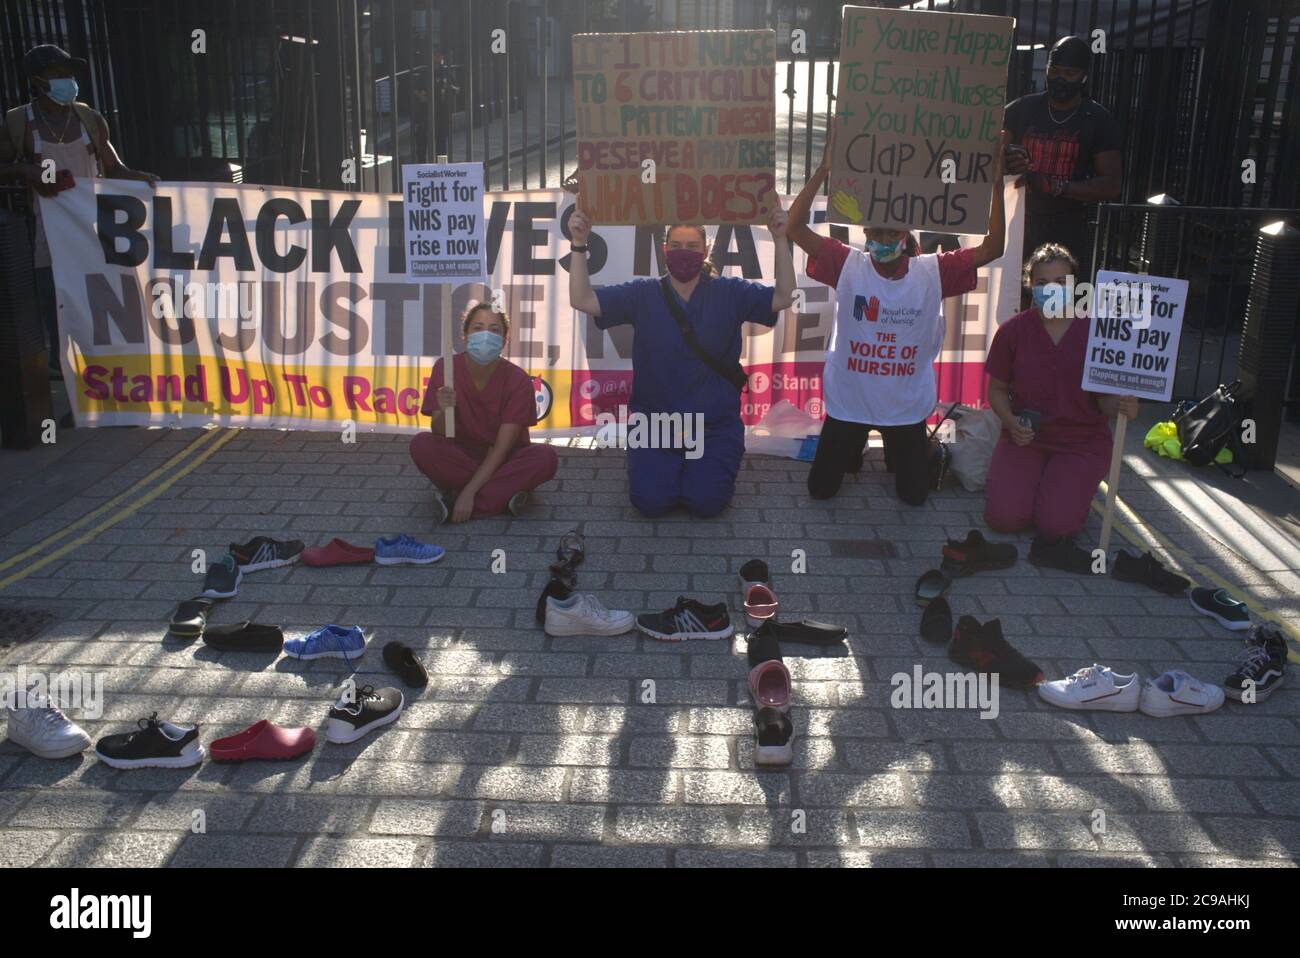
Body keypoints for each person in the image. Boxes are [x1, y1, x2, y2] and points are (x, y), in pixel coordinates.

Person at [786, 122, 1006, 506]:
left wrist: (996, 184)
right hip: (851, 400)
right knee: (820, 491)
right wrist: (824, 169)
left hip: (904, 405)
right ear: (865, 233)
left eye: (892, 235)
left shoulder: (933, 271)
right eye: (875, 234)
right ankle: (853, 451)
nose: (882, 243)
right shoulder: (847, 263)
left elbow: (994, 248)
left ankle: (899, 452)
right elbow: (794, 227)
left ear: (908, 237)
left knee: (914, 497)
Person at [567, 208, 797, 518]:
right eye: (675, 246)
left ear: (705, 251)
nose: (683, 254)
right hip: (655, 424)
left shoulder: (730, 292)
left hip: (714, 425)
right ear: (664, 251)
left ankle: (697, 468)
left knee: (705, 503)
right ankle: (668, 469)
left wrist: (780, 238)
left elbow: (784, 297)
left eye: (691, 247)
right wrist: (579, 244)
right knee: (650, 502)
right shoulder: (643, 293)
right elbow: (582, 300)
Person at [0, 44, 159, 380]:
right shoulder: (19, 122)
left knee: (107, 311)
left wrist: (143, 179)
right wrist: (27, 172)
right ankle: (79, 394)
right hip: (50, 235)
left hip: (97, 231)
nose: (67, 81)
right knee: (62, 314)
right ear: (38, 80)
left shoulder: (89, 118)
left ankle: (116, 385)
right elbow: (4, 167)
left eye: (69, 74)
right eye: (58, 74)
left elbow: (114, 167)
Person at [983, 243, 1138, 571]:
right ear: (1030, 285)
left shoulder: (1096, 331)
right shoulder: (1012, 331)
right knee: (1003, 519)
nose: (1051, 290)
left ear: (1074, 286)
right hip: (1026, 437)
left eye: (1060, 283)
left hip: (1081, 443)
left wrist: (1122, 406)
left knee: (1056, 527)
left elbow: (1105, 402)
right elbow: (995, 390)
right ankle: (1042, 484)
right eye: (1042, 283)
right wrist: (1011, 423)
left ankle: (1067, 488)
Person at [409, 303, 558, 524]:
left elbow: (501, 448)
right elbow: (438, 431)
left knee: (546, 458)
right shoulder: (446, 368)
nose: (485, 335)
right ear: (465, 335)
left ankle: (456, 502)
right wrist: (442, 408)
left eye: (494, 329)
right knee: (421, 444)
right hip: (462, 455)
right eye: (478, 328)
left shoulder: (517, 380)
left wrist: (468, 493)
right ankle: (500, 496)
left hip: (503, 458)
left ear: (505, 340)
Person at [1003, 35, 1122, 282]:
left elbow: (1111, 184)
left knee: (1056, 305)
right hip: (1019, 223)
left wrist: (1057, 186)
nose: (1059, 79)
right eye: (1054, 70)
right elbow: (987, 149)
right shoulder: (1022, 108)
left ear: (1084, 76)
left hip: (1068, 227)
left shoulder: (1097, 119)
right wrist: (1007, 158)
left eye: (1069, 73)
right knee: (1012, 300)